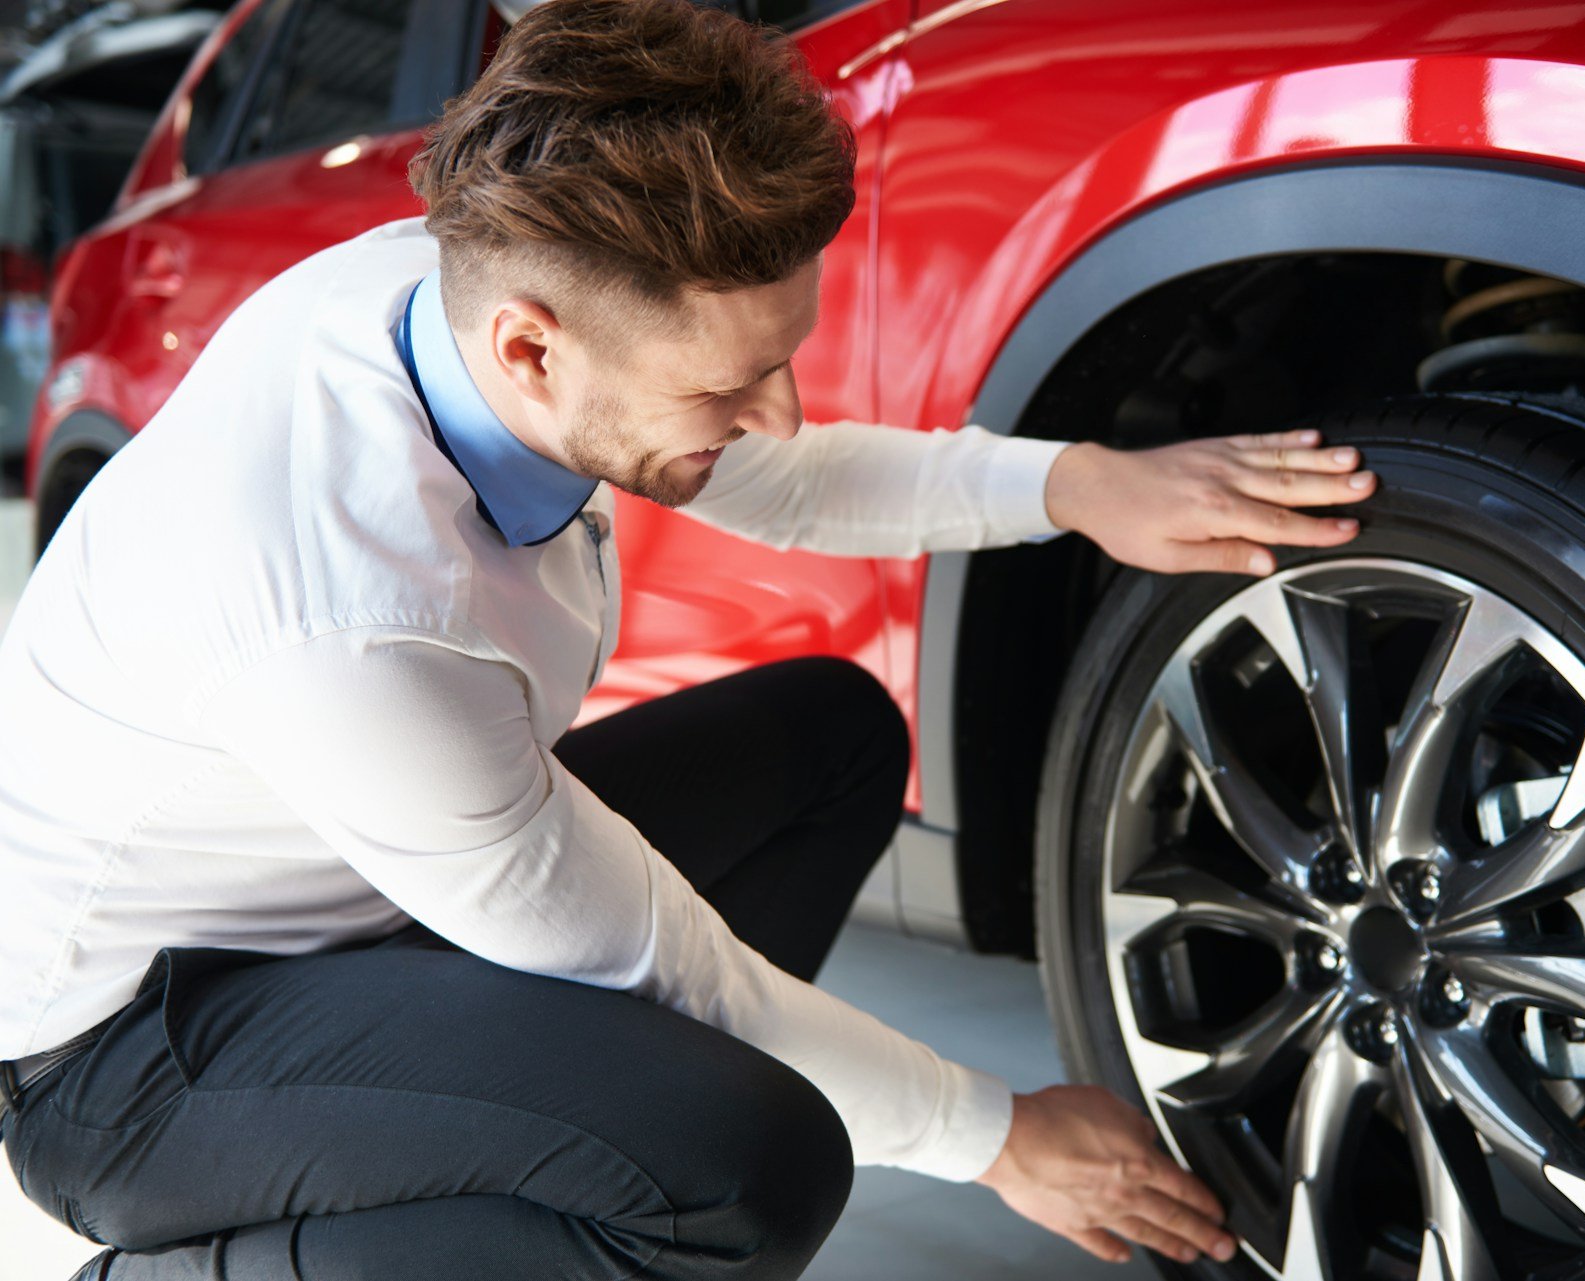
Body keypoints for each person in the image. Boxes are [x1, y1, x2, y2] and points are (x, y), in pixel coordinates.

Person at [0, 1, 1378, 1277]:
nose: (775, 411)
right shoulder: (344, 609)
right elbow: (653, 953)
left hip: (368, 901)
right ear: (534, 352)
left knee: (835, 739)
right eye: (730, 381)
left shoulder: (467, 294)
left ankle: (586, 1147)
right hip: (131, 1053)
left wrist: (1075, 482)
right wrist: (997, 1131)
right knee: (753, 1166)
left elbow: (779, 476)